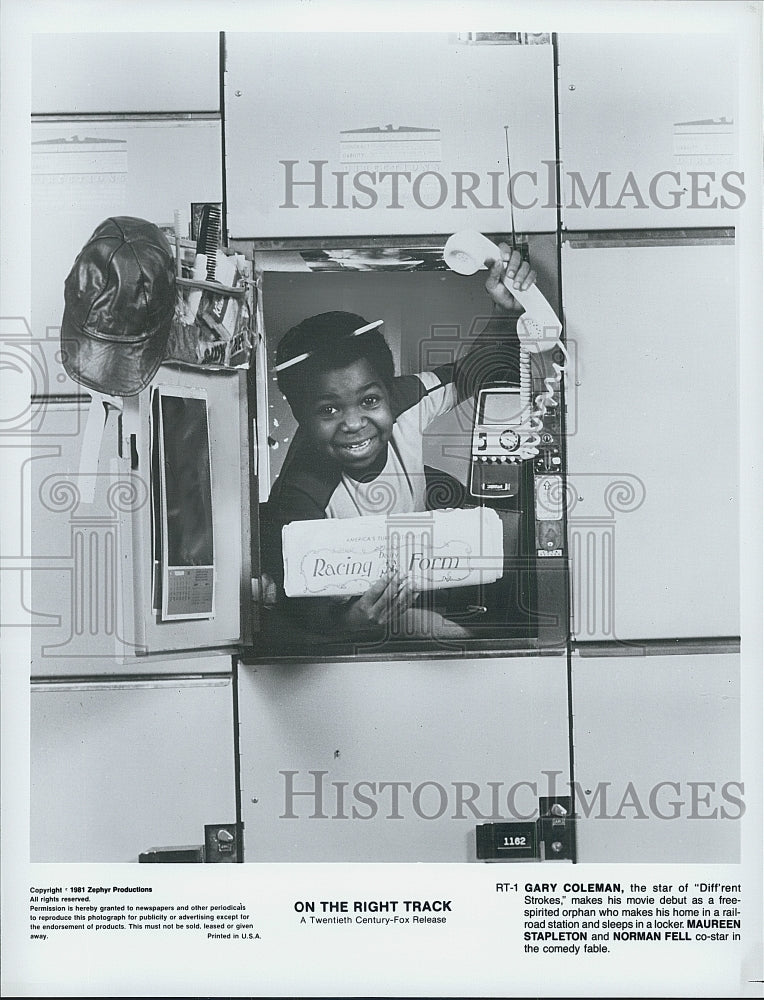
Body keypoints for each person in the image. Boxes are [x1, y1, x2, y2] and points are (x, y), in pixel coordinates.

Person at [261, 244, 536, 639]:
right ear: (300, 415)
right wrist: (349, 625)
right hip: (365, 617)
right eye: (328, 410)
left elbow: (470, 373)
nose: (354, 423)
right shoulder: (300, 497)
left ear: (388, 392)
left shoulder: (406, 397)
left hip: (424, 583)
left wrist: (505, 311)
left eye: (369, 401)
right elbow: (303, 621)